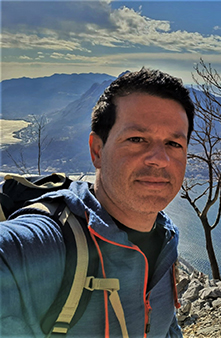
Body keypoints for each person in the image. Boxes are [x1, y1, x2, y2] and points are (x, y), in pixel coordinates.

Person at [0, 68, 195, 337]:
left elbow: (166, 328)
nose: (159, 159)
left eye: (174, 143)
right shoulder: (55, 242)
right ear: (97, 151)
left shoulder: (166, 239)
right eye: (137, 139)